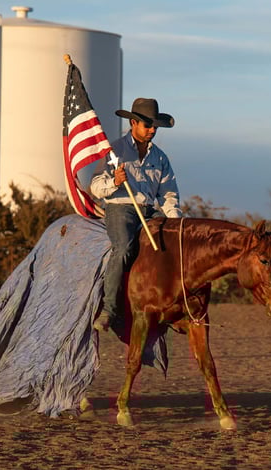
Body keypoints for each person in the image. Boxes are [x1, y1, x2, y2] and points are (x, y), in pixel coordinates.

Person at [90, 98, 183, 331]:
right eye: (148, 125)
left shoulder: (160, 157)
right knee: (123, 248)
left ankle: (167, 305)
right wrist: (114, 181)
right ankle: (109, 309)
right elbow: (95, 187)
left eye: (155, 126)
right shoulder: (114, 151)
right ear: (133, 123)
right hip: (121, 208)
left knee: (169, 248)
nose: (152, 130)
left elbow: (168, 194)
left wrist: (176, 225)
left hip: (149, 211)